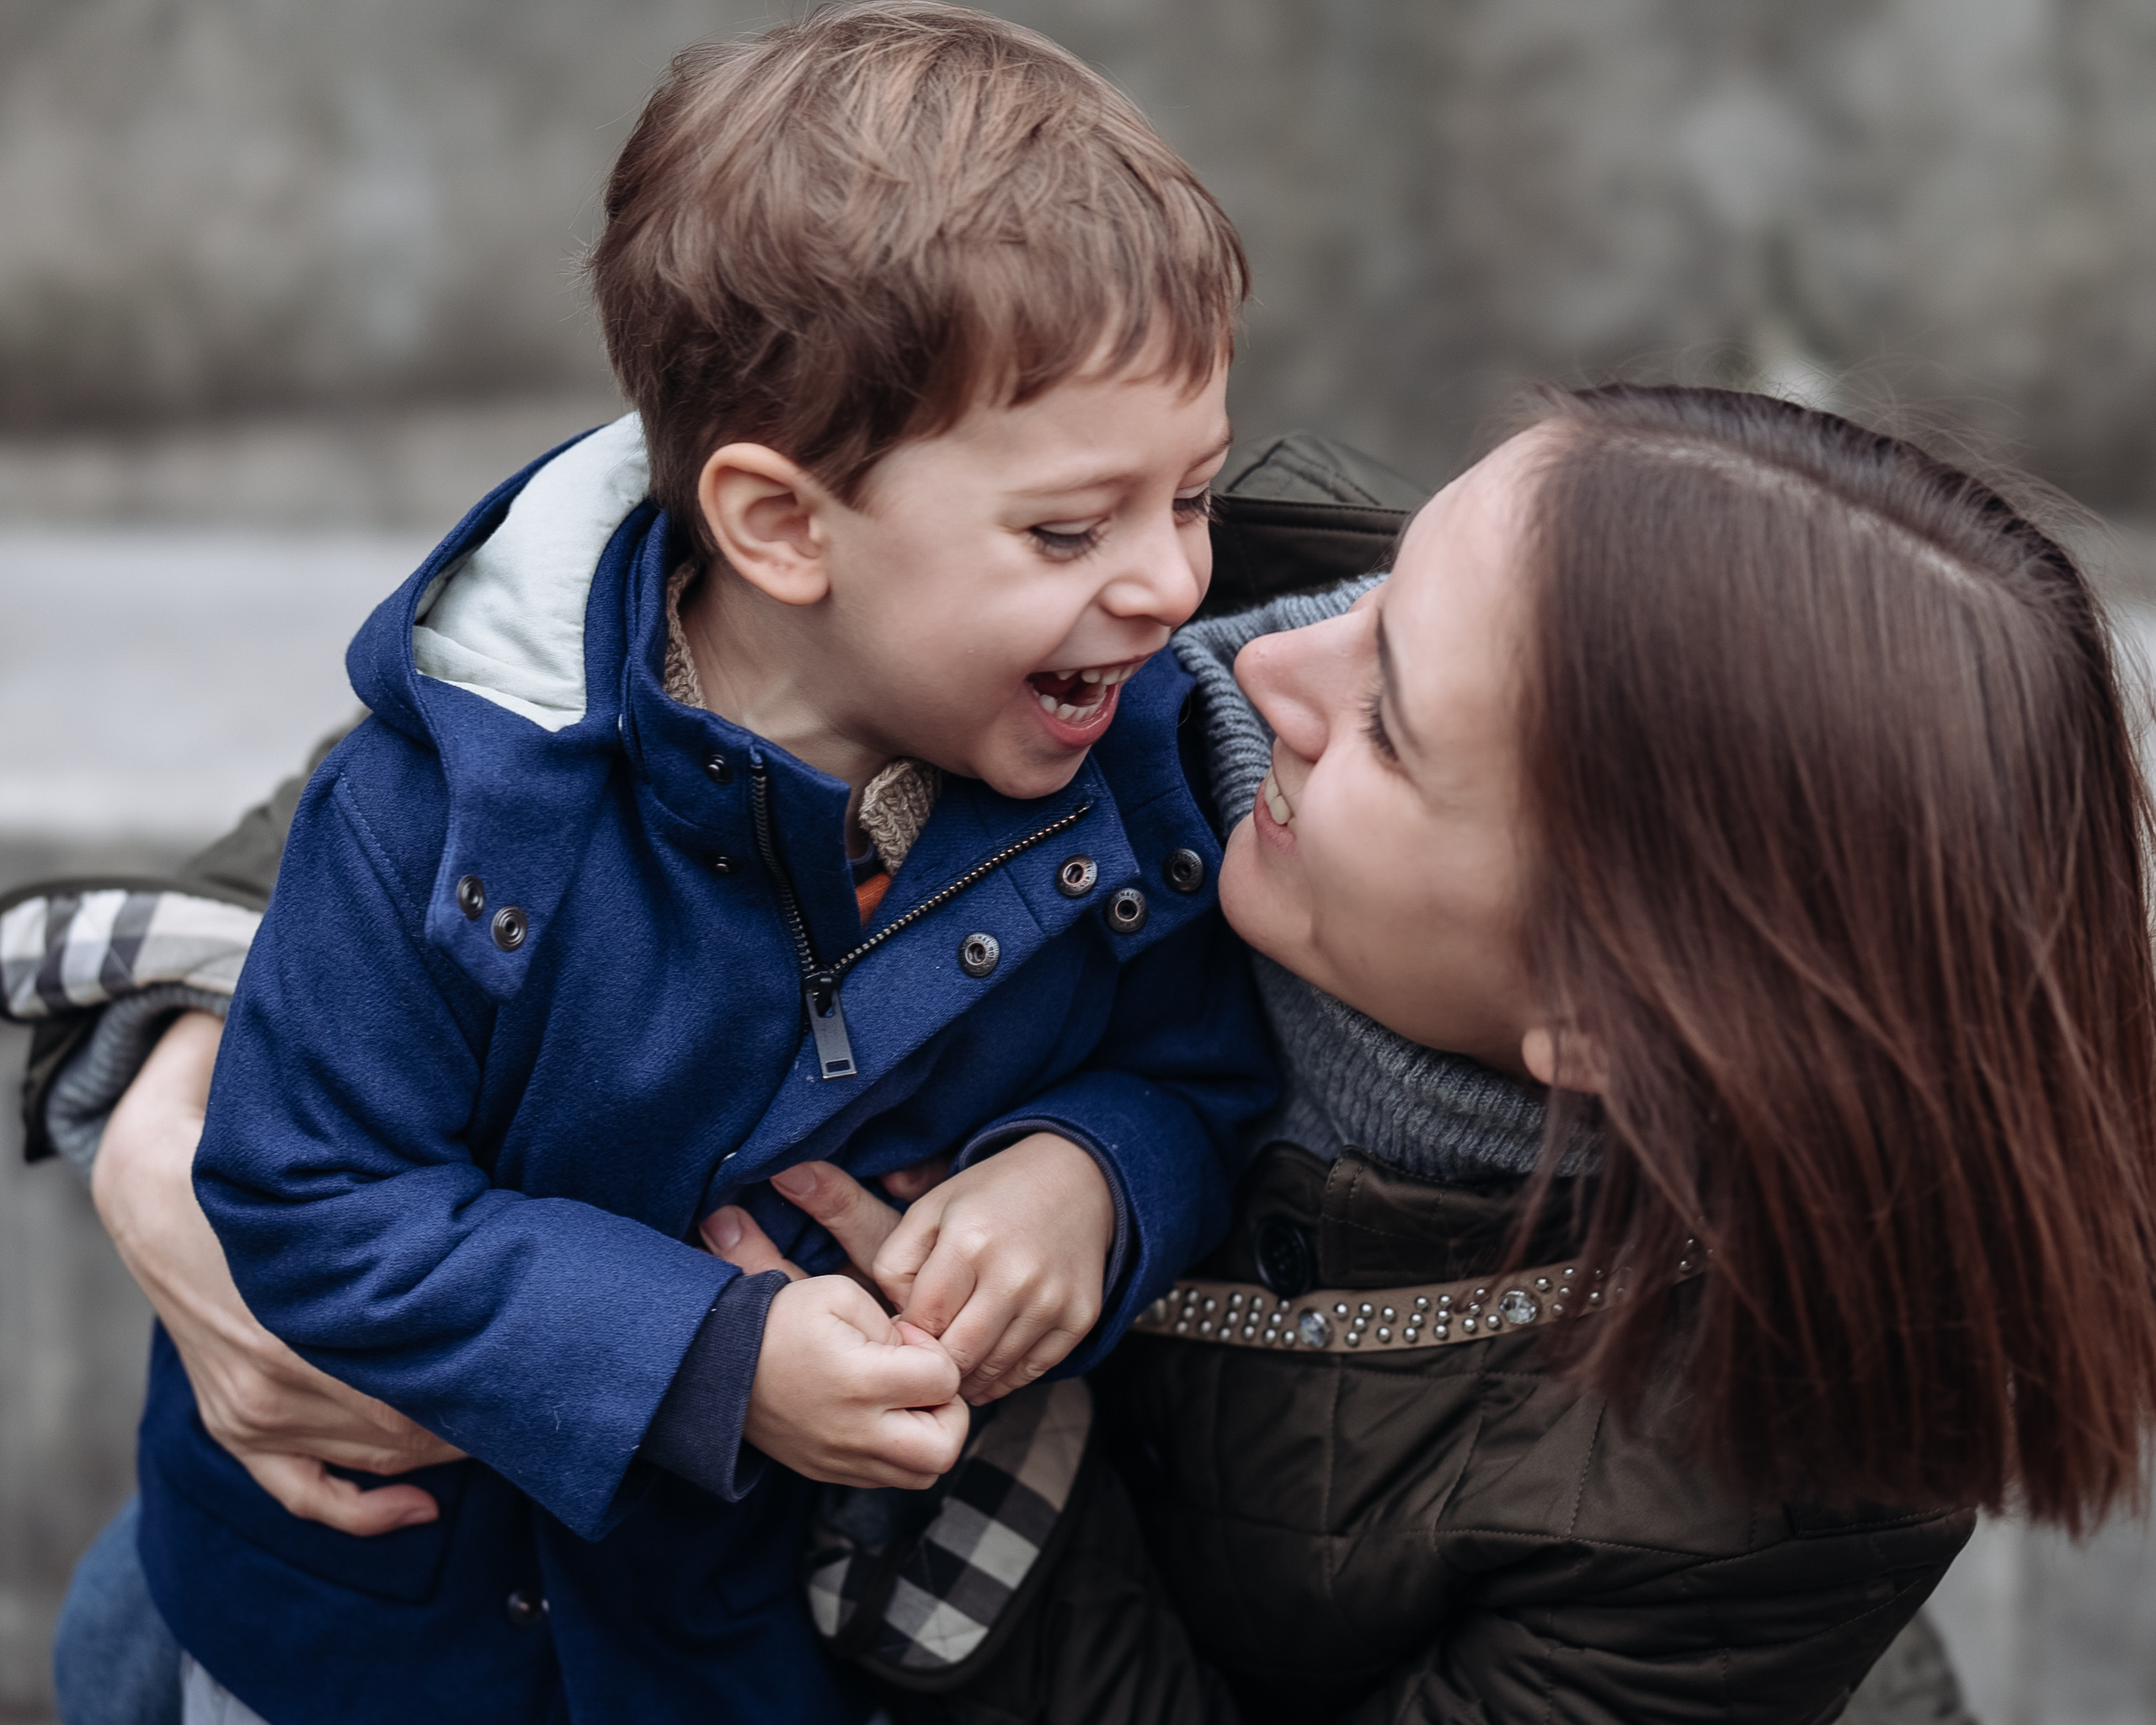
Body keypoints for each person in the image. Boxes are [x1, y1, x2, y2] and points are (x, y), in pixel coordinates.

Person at [3, 7, 1279, 1722]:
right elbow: (307, 1193)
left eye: (1190, 496)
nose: (1165, 584)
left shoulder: (1123, 772)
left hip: (743, 1647)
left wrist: (1095, 1173)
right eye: (1068, 529)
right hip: (364, 1644)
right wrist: (712, 1358)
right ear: (776, 527)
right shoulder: (460, 809)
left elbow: (1201, 1064)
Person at [707, 384, 2156, 1722]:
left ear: (1604, 1019)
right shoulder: (1130, 629)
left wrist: (944, 1446)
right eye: (1380, 589)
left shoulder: (1759, 1508)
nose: (1259, 658)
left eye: (1388, 727)